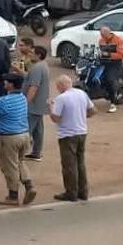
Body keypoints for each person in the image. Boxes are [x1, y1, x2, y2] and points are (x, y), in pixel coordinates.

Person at [50, 74, 95, 202]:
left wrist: (50, 107)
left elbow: (56, 118)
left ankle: (71, 192)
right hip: (82, 132)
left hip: (67, 134)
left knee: (69, 165)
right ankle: (83, 191)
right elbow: (92, 111)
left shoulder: (61, 98)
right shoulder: (81, 94)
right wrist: (80, 116)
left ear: (60, 86)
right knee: (80, 162)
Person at [0, 73, 36, 206]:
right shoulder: (22, 98)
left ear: (11, 85)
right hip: (24, 134)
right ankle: (29, 185)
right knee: (20, 162)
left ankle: (13, 195)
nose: (4, 83)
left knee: (9, 166)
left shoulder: (2, 101)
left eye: (6, 82)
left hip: (9, 136)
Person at [23, 46, 50, 160]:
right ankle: (36, 152)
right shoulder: (43, 65)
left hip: (33, 105)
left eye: (32, 53)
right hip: (40, 104)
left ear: (39, 55)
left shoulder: (37, 68)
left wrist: (25, 103)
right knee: (38, 130)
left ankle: (21, 152)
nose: (30, 54)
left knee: (26, 129)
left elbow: (34, 87)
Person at [97, 25, 123, 113]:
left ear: (108, 33)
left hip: (115, 63)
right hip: (104, 62)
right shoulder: (101, 40)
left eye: (103, 36)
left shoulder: (118, 40)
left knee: (110, 79)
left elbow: (121, 54)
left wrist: (109, 55)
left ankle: (113, 103)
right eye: (101, 35)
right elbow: (100, 51)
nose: (102, 37)